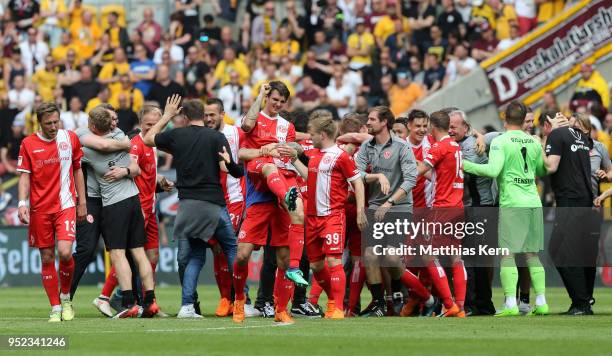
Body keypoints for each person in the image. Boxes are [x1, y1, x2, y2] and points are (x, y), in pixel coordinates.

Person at [143, 95, 241, 318]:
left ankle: (187, 305)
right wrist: (237, 167)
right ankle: (242, 301)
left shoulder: (177, 136)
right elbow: (228, 169)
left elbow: (148, 138)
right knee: (232, 249)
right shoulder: (217, 137)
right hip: (214, 204)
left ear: (184, 116)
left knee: (193, 257)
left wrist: (167, 115)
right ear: (202, 116)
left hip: (187, 206)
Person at [464, 101, 549, 316]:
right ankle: (542, 302)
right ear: (523, 120)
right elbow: (541, 170)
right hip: (533, 201)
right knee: (532, 254)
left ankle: (511, 303)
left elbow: (493, 171)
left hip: (512, 203)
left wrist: (463, 164)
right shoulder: (533, 141)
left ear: (504, 118)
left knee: (507, 254)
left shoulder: (501, 141)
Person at [232, 81, 307, 324]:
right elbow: (242, 149)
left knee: (283, 259)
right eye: (273, 99)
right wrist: (266, 149)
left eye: (281, 101)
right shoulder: (253, 119)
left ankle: (281, 309)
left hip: (282, 185)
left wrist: (294, 151)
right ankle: (239, 302)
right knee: (242, 255)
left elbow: (293, 152)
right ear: (267, 97)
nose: (277, 104)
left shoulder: (288, 126)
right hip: (260, 193)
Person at [77, 106, 158, 318]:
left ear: (93, 127)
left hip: (114, 204)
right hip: (134, 198)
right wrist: (126, 167)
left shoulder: (86, 149)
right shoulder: (121, 135)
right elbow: (136, 168)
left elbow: (94, 149)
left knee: (118, 254)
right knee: (139, 253)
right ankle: (150, 302)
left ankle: (129, 302)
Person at [355, 106, 435, 317]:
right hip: (374, 206)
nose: (368, 122)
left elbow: (410, 179)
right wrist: (375, 178)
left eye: (372, 119)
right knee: (370, 255)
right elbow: (355, 174)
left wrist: (389, 202)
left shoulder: (401, 146)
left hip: (399, 207)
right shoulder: (366, 147)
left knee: (391, 257)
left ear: (384, 122)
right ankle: (378, 304)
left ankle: (423, 297)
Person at [16, 102, 87, 322]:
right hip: (40, 209)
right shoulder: (28, 143)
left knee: (65, 252)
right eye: (49, 123)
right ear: (40, 123)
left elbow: (77, 170)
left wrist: (82, 202)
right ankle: (55, 307)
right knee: (47, 256)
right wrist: (21, 202)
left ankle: (65, 298)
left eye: (56, 121)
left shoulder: (70, 138)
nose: (54, 126)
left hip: (65, 205)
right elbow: (25, 176)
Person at [292, 114, 367, 320]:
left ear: (323, 135)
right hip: (312, 218)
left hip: (333, 216)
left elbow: (357, 182)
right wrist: (293, 160)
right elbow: (310, 177)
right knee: (316, 266)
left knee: (334, 261)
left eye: (313, 134)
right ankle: (333, 300)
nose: (310, 137)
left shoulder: (340, 156)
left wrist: (360, 210)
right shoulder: (315, 155)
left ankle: (337, 308)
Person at [542, 111, 599, 315]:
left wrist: (543, 142)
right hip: (585, 199)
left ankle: (582, 303)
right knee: (568, 251)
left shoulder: (556, 135)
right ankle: (582, 300)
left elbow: (550, 166)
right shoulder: (581, 136)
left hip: (570, 200)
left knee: (563, 251)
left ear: (548, 124)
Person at [416, 110, 466, 317]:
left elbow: (419, 170)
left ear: (433, 127)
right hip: (458, 207)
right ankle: (460, 307)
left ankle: (449, 303)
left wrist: (406, 161)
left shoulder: (439, 147)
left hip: (442, 208)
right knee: (456, 258)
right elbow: (437, 173)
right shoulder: (456, 147)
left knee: (429, 256)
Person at [448, 109, 496, 316]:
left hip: (478, 208)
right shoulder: (460, 144)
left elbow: (502, 135)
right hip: (468, 208)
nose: (450, 130)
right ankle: (481, 305)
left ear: (465, 127)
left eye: (453, 126)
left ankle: (475, 305)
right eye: (448, 126)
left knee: (473, 259)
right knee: (473, 259)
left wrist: (481, 135)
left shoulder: (471, 146)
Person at [203, 98, 245, 317]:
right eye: (206, 115)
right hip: (211, 200)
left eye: (212, 114)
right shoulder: (202, 135)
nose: (209, 118)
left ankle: (239, 298)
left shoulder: (236, 133)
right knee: (216, 250)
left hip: (234, 199)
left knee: (230, 249)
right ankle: (225, 298)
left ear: (222, 114)